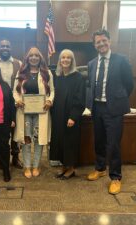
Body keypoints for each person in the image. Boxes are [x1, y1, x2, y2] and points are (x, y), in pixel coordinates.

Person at [86, 29, 134, 194]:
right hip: (97, 107)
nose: (101, 44)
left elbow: (129, 85)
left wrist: (118, 99)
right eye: (98, 42)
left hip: (113, 108)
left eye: (104, 40)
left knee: (113, 144)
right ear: (94, 45)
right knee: (99, 141)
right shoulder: (92, 63)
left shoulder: (121, 60)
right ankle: (100, 169)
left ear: (109, 41)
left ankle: (115, 177)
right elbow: (90, 86)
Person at [13, 47, 54, 178]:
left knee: (38, 139)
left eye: (36, 55)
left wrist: (49, 101)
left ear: (40, 58)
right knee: (26, 140)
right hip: (24, 111)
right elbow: (15, 91)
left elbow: (52, 91)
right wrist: (17, 100)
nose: (34, 58)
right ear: (27, 58)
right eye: (31, 55)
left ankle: (36, 166)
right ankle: (27, 166)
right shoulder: (21, 72)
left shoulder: (46, 72)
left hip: (41, 112)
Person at [50, 49, 85, 180]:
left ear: (72, 61)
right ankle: (64, 167)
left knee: (70, 142)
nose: (65, 60)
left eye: (68, 58)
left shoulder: (78, 77)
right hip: (58, 115)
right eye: (62, 57)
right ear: (59, 60)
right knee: (60, 141)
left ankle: (71, 169)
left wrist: (73, 116)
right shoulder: (57, 77)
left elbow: (80, 99)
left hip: (70, 116)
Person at [0, 39, 23, 169]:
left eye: (7, 46)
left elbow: (23, 84)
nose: (5, 48)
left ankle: (15, 158)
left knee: (15, 130)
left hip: (14, 103)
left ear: (11, 48)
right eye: (2, 46)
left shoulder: (19, 63)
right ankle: (2, 158)